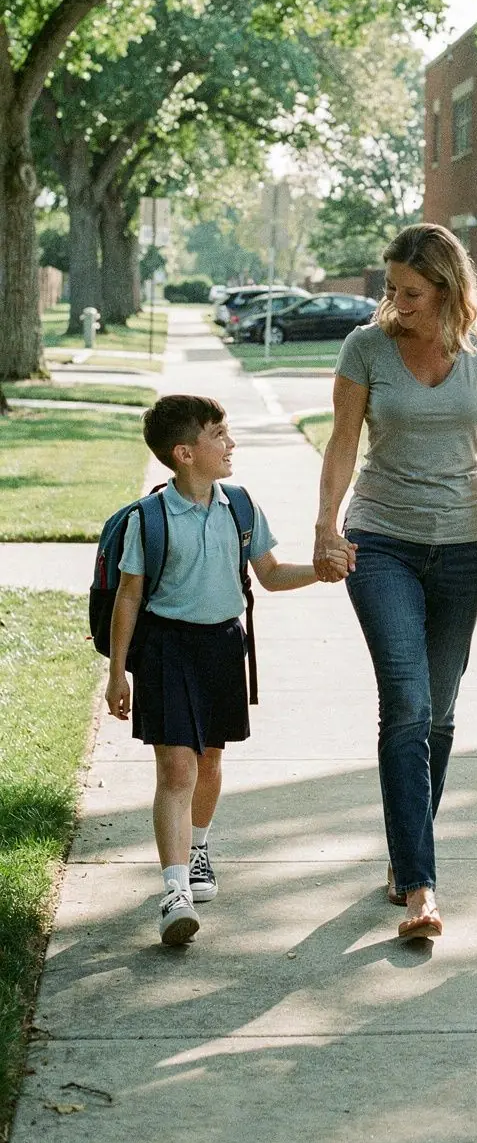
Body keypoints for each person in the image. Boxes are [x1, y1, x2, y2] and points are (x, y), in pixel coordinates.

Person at [312, 223, 477, 942]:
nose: (396, 303)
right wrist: (326, 525)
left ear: (447, 288)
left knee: (439, 715)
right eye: (391, 290)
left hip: (464, 547)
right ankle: (420, 886)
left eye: (410, 293)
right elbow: (344, 439)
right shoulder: (366, 347)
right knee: (407, 706)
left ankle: (406, 851)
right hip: (381, 540)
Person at [105, 394, 349, 946]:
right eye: (220, 435)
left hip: (223, 646)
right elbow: (128, 596)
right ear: (185, 453)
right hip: (167, 648)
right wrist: (118, 673)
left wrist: (321, 570)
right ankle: (173, 892)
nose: (231, 443)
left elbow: (269, 574)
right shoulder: (150, 518)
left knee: (210, 760)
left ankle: (197, 851)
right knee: (176, 770)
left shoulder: (239, 505)